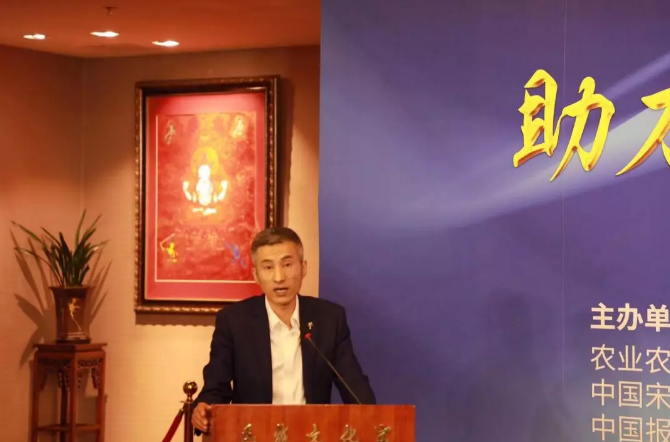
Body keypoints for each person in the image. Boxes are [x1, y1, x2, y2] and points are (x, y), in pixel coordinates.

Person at [191, 227, 376, 434]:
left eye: (287, 265)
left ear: (303, 268)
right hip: (254, 435)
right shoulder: (234, 321)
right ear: (256, 275)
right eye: (268, 267)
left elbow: (354, 386)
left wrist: (373, 418)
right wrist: (204, 408)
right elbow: (216, 387)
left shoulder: (329, 319)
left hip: (312, 434)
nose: (279, 277)